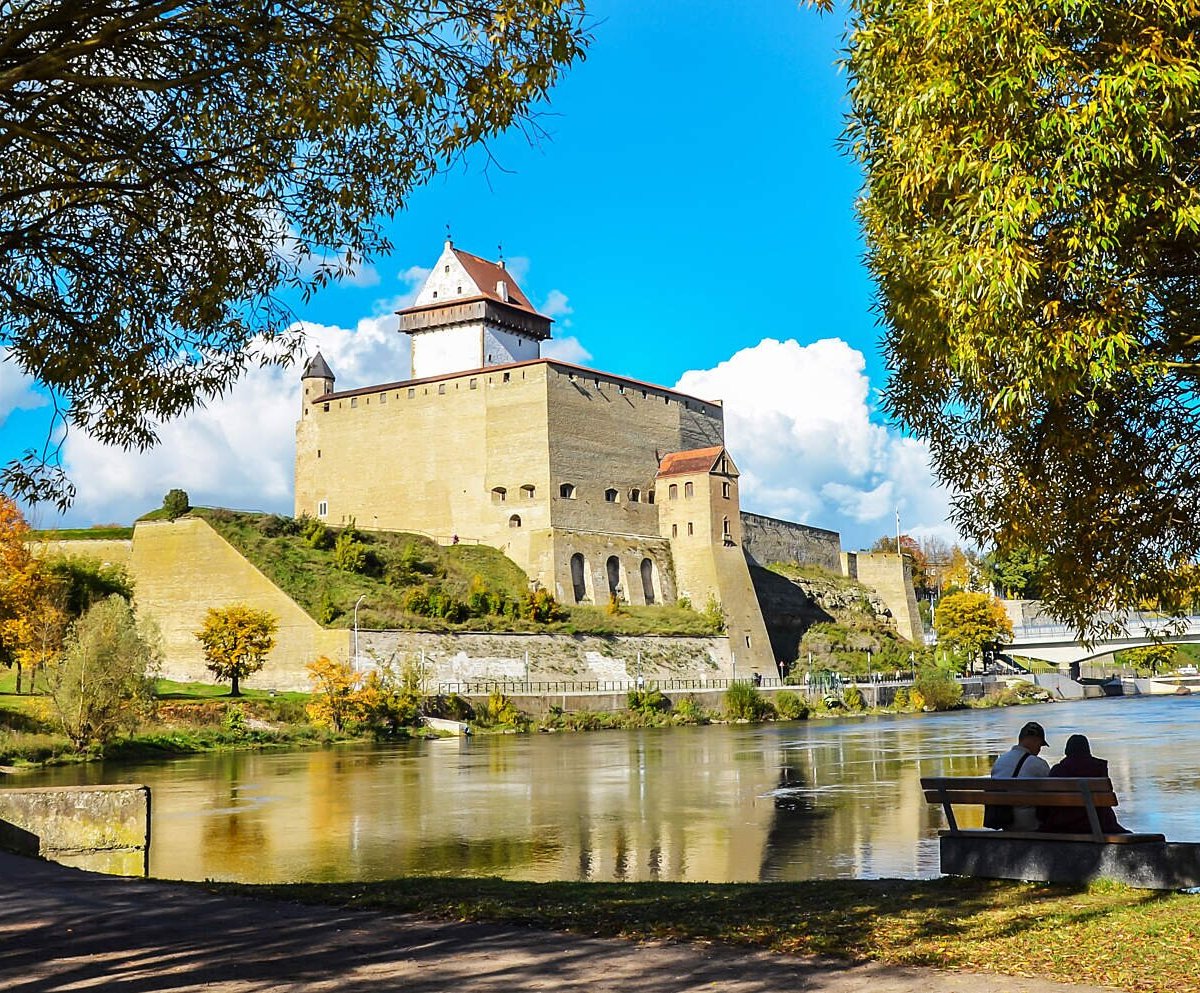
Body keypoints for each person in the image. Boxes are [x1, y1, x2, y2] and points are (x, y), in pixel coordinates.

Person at [1039, 734, 1130, 834]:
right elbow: (1105, 805)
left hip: (1062, 826)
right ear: (1088, 750)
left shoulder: (1058, 770)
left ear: (1067, 750)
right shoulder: (1098, 768)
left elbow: (1044, 808)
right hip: (1097, 825)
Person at [988, 720, 1051, 830]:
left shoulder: (1000, 761)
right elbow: (1052, 792)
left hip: (1004, 822)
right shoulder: (1038, 764)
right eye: (1040, 744)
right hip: (1030, 824)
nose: (1040, 749)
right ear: (1034, 740)